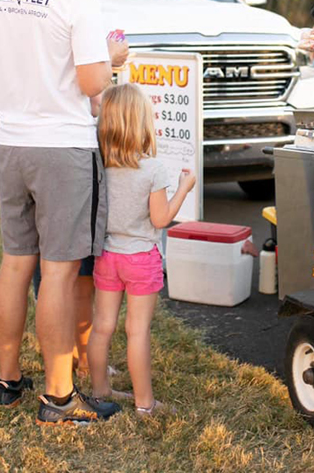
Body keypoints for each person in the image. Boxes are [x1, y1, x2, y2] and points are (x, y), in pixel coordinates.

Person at [0, 0, 128, 425]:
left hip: (9, 142)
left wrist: (27, 68)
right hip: (61, 147)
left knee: (16, 263)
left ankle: (7, 380)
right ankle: (59, 397)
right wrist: (113, 57)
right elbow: (90, 81)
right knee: (57, 273)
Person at [87, 83, 196, 415]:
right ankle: (145, 404)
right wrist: (183, 188)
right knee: (137, 331)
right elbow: (161, 218)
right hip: (140, 260)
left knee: (102, 325)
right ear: (142, 123)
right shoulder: (153, 169)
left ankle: (100, 390)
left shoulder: (101, 165)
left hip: (107, 256)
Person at [32, 0, 100, 377]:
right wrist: (107, 67)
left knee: (84, 264)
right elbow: (89, 79)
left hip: (87, 135)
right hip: (64, 141)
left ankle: (84, 353)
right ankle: (62, 366)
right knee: (61, 262)